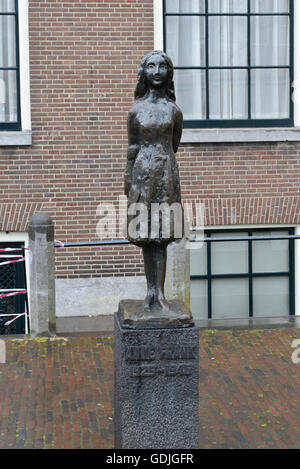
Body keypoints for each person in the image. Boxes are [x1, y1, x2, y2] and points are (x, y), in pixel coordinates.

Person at [125, 50, 184, 314]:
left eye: (162, 66)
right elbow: (132, 148)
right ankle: (150, 292)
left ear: (169, 73)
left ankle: (159, 294)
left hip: (166, 174)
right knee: (147, 234)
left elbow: (174, 145)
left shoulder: (174, 110)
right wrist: (128, 180)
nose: (157, 71)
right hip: (141, 174)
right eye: (151, 66)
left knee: (162, 236)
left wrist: (161, 165)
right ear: (144, 73)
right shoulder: (136, 110)